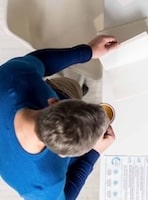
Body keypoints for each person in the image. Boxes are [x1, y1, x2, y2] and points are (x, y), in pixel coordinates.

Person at [0, 35, 119, 200]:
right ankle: (77, 90)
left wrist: (88, 51)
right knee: (72, 86)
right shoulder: (46, 182)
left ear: (53, 102)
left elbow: (38, 61)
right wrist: (94, 153)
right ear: (64, 156)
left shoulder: (13, 76)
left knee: (71, 86)